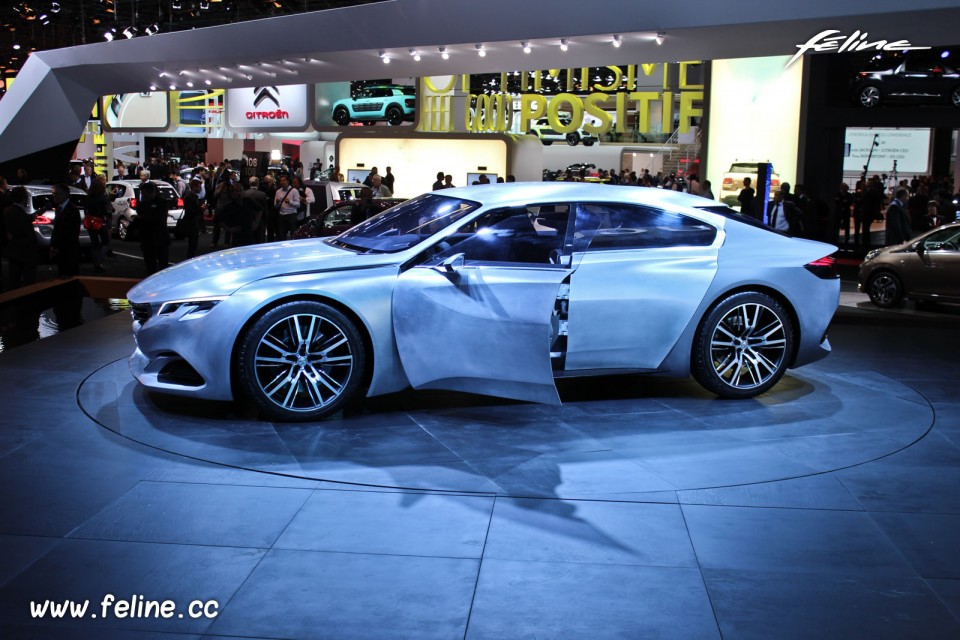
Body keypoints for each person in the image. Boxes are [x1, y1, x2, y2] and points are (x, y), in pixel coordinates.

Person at [2, 186, 38, 289]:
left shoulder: (7, 210)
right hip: (25, 253)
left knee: (14, 280)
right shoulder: (20, 214)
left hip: (13, 252)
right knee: (28, 283)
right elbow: (28, 234)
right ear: (24, 199)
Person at [137, 181, 170, 274]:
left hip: (160, 237)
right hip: (147, 239)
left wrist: (143, 218)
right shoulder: (142, 204)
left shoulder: (161, 203)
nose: (143, 196)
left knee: (163, 266)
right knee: (150, 266)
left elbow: (160, 219)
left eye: (144, 193)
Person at [50, 183, 82, 277]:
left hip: (69, 251)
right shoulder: (59, 209)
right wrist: (53, 245)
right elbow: (56, 229)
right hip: (60, 250)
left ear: (65, 194)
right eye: (53, 193)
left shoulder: (73, 210)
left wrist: (60, 248)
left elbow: (73, 233)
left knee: (70, 275)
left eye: (56, 194)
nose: (54, 196)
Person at [84, 178, 111, 273]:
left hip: (90, 221)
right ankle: (99, 261)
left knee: (95, 244)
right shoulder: (102, 198)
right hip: (100, 221)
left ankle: (96, 264)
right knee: (106, 242)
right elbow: (107, 210)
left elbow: (85, 209)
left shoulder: (88, 197)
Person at [181, 178, 205, 258]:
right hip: (191, 224)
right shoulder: (189, 197)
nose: (200, 189)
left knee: (193, 245)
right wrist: (200, 209)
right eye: (199, 187)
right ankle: (189, 259)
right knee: (192, 245)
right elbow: (190, 211)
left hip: (194, 223)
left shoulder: (194, 197)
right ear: (194, 187)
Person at [241, 177, 268, 244]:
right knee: (259, 241)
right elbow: (264, 210)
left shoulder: (244, 193)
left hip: (246, 220)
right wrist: (265, 222)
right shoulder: (262, 194)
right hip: (259, 221)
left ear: (249, 183)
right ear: (258, 183)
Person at [274, 173, 301, 240]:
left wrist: (290, 202)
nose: (282, 182)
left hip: (291, 215)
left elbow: (298, 204)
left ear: (288, 181)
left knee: (293, 234)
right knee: (282, 235)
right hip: (282, 216)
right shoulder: (278, 192)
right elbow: (275, 206)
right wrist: (277, 203)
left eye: (284, 180)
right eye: (281, 181)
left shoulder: (294, 191)